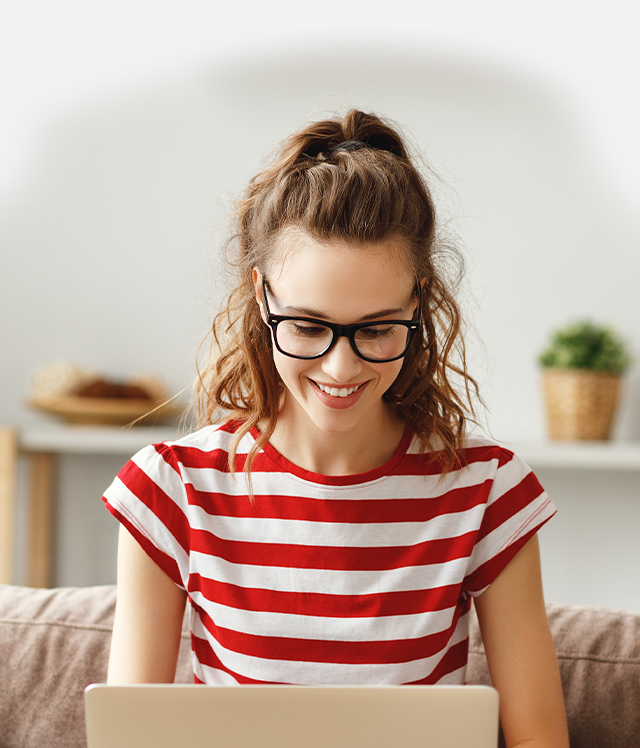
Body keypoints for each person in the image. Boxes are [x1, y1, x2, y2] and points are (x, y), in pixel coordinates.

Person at [105, 110, 569, 746]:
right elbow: (133, 735)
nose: (341, 366)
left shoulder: (487, 487)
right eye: (307, 326)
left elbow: (539, 739)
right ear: (262, 295)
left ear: (419, 302)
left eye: (377, 328)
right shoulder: (172, 486)